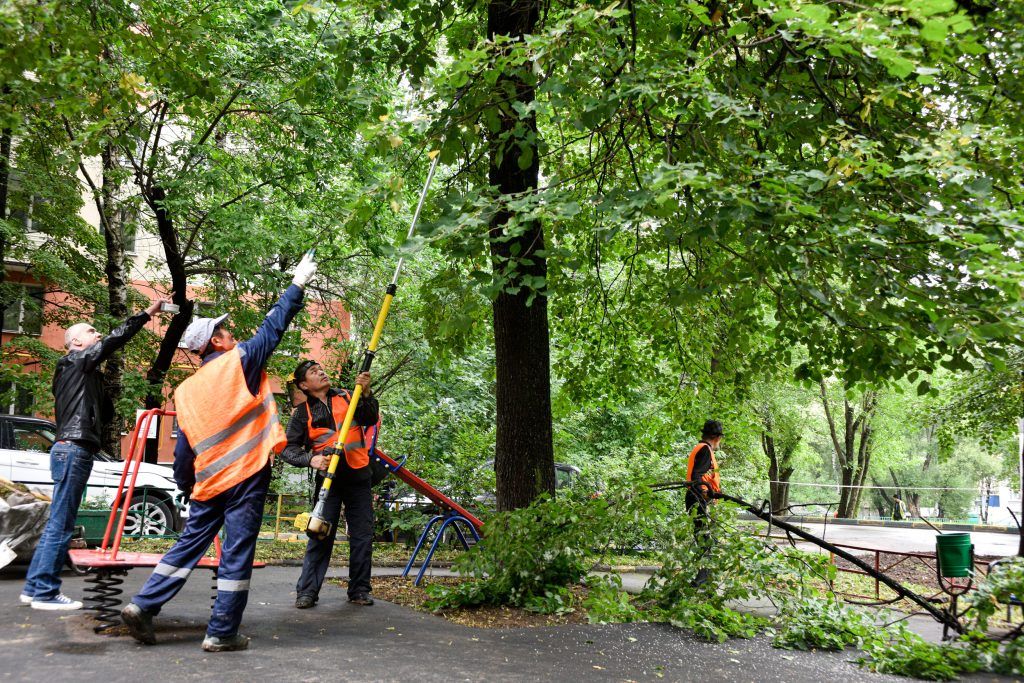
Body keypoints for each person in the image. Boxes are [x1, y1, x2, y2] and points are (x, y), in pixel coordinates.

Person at [120, 252, 317, 652]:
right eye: (226, 332)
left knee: (188, 543)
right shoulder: (237, 363)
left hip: (209, 481)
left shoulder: (186, 390)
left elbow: (185, 451)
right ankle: (222, 632)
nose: (233, 336)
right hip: (246, 473)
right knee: (237, 550)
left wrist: (188, 485)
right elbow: (273, 327)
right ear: (215, 342)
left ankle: (143, 604)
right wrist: (296, 286)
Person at [20, 296, 170, 610]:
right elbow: (115, 339)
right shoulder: (76, 361)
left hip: (70, 448)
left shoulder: (80, 374)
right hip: (74, 449)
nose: (97, 334)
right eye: (90, 331)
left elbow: (104, 410)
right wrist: (146, 314)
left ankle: (35, 588)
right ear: (75, 342)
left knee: (58, 521)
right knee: (62, 523)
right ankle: (45, 592)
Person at [283, 360, 380, 609]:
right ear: (304, 384)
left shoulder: (349, 395)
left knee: (362, 535)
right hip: (329, 480)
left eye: (321, 369)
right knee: (319, 534)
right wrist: (311, 459)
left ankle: (359, 590)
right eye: (314, 372)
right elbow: (287, 449)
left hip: (359, 475)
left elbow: (370, 417)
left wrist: (366, 393)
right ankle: (306, 592)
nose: (322, 373)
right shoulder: (302, 412)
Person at [685, 419, 723, 588]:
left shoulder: (701, 448)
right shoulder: (705, 450)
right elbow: (697, 475)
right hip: (697, 497)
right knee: (704, 538)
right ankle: (702, 578)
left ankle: (707, 578)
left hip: (696, 497)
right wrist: (705, 492)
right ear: (716, 437)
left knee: (707, 537)